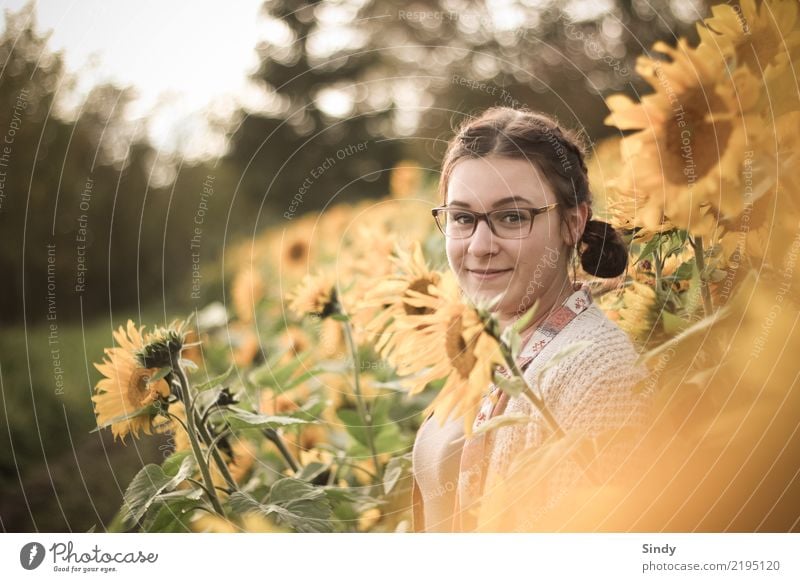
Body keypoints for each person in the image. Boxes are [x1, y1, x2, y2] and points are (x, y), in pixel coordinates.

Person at [410, 106, 655, 532]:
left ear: (573, 223)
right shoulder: (485, 353)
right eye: (462, 218)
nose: (480, 245)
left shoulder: (600, 372)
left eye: (512, 217)